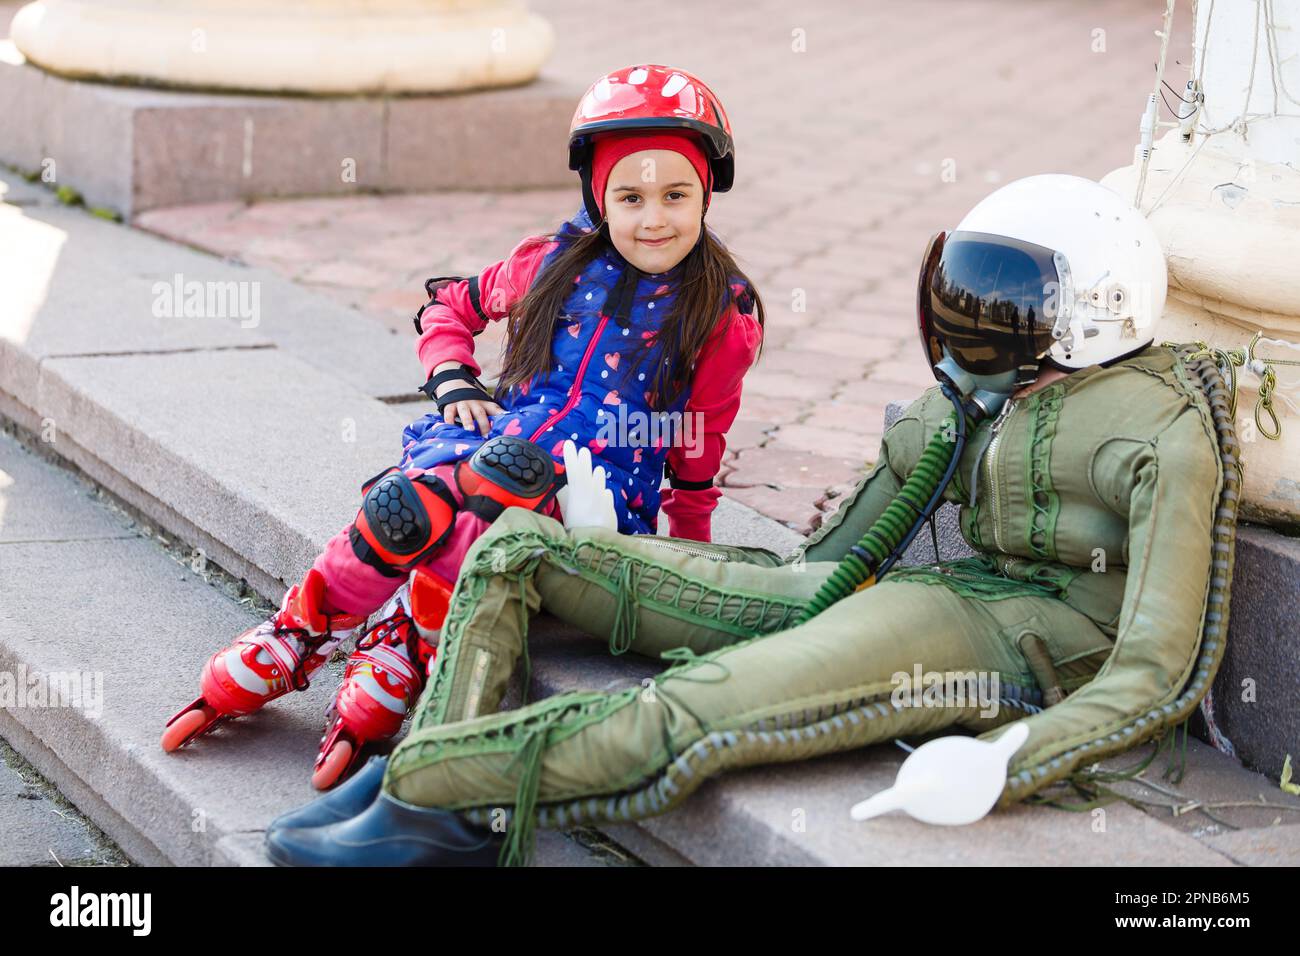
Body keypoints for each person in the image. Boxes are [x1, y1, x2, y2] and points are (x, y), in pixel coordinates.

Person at [263, 174, 1241, 867]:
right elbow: (829, 560)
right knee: (519, 547)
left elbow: (1155, 668)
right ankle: (451, 799)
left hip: (1013, 634)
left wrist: (1009, 761)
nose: (964, 324)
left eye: (1001, 302)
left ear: (1094, 314)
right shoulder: (975, 396)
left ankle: (430, 780)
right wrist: (698, 582)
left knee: (695, 705)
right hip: (882, 586)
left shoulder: (1161, 435)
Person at [160, 64, 766, 790]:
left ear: (708, 193)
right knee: (414, 505)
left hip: (595, 490)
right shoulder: (551, 264)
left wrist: (688, 556)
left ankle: (405, 640)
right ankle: (298, 633)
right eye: (629, 197)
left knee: (495, 485)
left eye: (677, 195)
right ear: (598, 196)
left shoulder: (718, 314)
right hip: (499, 439)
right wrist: (452, 379)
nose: (654, 218)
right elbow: (451, 309)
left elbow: (700, 441)